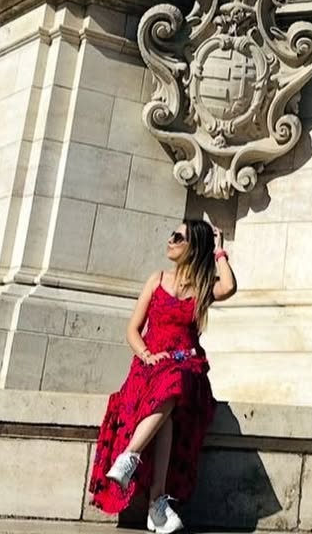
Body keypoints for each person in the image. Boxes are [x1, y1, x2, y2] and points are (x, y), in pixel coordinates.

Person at [89, 217, 236, 533]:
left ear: (192, 247)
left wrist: (219, 252)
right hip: (150, 365)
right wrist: (146, 354)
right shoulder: (156, 279)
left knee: (176, 383)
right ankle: (157, 504)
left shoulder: (200, 289)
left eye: (178, 237)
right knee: (166, 408)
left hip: (186, 368)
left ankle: (130, 457)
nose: (170, 240)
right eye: (172, 234)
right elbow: (132, 329)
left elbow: (229, 286)